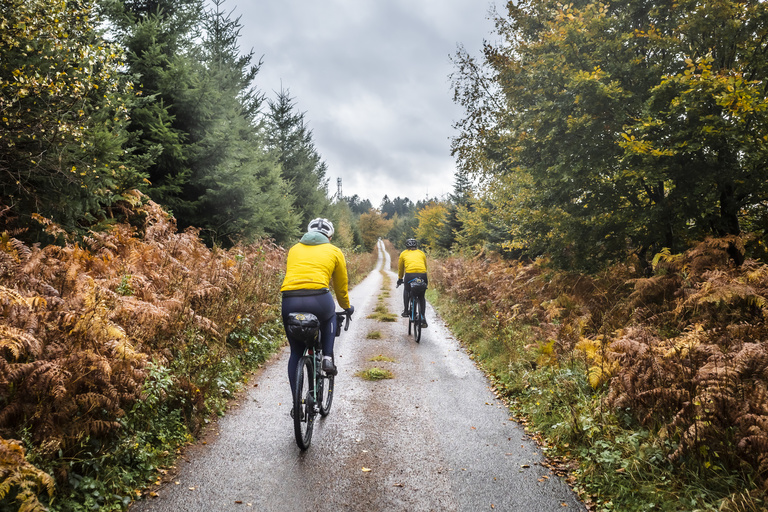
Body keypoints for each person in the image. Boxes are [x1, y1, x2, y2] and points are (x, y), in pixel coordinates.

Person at [281, 218, 353, 396]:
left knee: (296, 352)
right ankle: (327, 357)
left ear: (308, 232)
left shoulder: (294, 249)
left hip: (290, 300)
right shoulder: (334, 251)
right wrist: (346, 306)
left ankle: (296, 403)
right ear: (329, 237)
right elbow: (340, 286)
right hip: (319, 299)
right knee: (330, 316)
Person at [396, 238, 428, 328]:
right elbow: (425, 266)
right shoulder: (421, 253)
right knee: (421, 296)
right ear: (416, 246)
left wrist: (400, 279)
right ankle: (422, 317)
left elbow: (401, 268)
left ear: (406, 246)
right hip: (422, 275)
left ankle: (406, 311)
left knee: (406, 290)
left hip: (410, 275)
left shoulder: (403, 253)